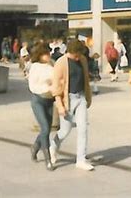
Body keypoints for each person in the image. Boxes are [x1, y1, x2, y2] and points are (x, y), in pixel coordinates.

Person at [49, 39, 94, 171]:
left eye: (80, 54)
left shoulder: (83, 60)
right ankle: (53, 146)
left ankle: (81, 159)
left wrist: (88, 96)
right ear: (70, 52)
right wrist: (60, 106)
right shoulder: (61, 63)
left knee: (83, 128)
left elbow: (85, 79)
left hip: (81, 98)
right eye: (76, 55)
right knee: (65, 130)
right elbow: (56, 87)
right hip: (67, 100)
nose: (78, 57)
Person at [28, 44, 55, 171]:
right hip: (38, 99)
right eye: (45, 54)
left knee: (47, 129)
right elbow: (32, 86)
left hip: (50, 100)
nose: (48, 56)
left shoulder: (52, 65)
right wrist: (47, 86)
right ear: (39, 55)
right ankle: (48, 158)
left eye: (48, 53)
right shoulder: (35, 67)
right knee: (44, 127)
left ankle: (35, 147)